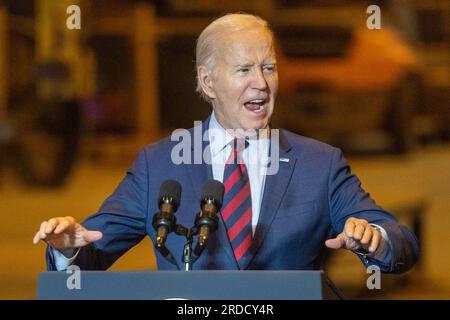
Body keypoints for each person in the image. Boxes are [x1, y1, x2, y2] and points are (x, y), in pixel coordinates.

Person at [33, 13, 419, 273]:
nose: (262, 83)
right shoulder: (159, 165)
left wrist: (376, 240)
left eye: (269, 68)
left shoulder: (319, 163)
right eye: (244, 69)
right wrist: (68, 247)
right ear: (208, 81)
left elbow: (399, 241)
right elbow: (93, 249)